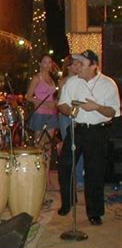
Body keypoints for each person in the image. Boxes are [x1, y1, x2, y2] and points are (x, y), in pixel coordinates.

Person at [57, 50, 120, 225]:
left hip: (97, 131)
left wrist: (96, 107)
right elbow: (61, 104)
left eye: (81, 63)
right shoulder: (72, 82)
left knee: (94, 171)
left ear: (93, 65)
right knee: (65, 165)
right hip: (76, 130)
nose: (76, 66)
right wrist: (68, 110)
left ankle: (94, 212)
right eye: (76, 63)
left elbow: (113, 111)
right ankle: (68, 202)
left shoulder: (108, 84)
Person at [58, 55, 84, 187]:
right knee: (69, 146)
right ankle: (71, 179)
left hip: (78, 116)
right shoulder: (64, 81)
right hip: (66, 116)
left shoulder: (80, 80)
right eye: (75, 64)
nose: (77, 67)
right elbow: (63, 101)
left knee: (80, 145)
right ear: (68, 66)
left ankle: (79, 177)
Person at [25, 54, 59, 145]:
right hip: (40, 112)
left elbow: (53, 95)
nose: (47, 65)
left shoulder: (52, 78)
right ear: (40, 64)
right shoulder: (37, 78)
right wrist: (45, 104)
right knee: (39, 143)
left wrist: (55, 101)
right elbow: (28, 96)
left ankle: (47, 159)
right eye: (45, 62)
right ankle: (39, 159)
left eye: (49, 62)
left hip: (52, 112)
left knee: (48, 143)